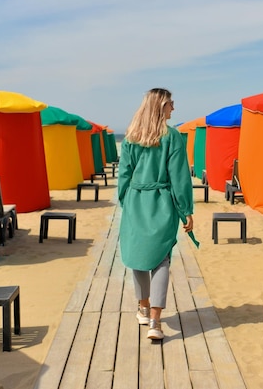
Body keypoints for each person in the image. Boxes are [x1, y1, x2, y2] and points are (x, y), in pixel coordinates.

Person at [118, 88, 194, 340]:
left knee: (137, 257)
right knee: (161, 260)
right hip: (162, 202)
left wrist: (125, 200)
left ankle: (143, 306)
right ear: (161, 106)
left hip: (135, 201)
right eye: (171, 103)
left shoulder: (130, 137)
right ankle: (155, 321)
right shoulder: (172, 137)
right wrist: (186, 211)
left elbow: (124, 175)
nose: (174, 107)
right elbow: (180, 178)